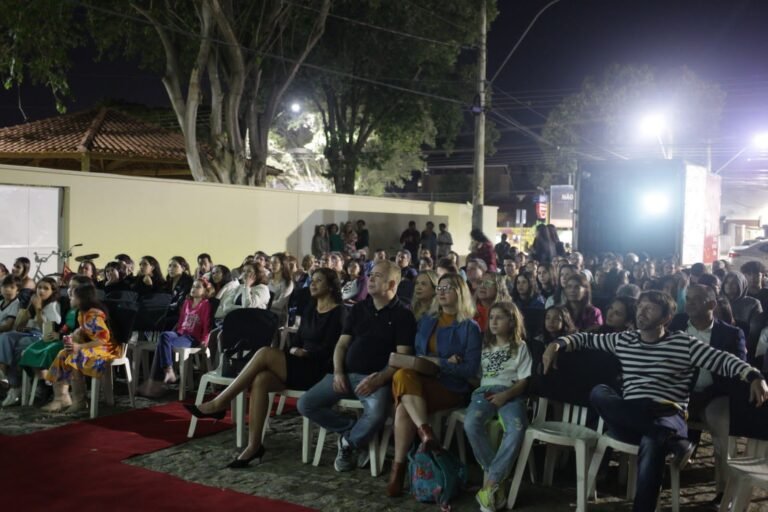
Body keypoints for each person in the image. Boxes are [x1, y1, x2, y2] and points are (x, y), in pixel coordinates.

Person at [542, 290, 768, 512]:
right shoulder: (624, 339)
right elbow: (586, 339)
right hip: (632, 417)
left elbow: (724, 360)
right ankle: (671, 440)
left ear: (666, 318)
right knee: (600, 392)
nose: (642, 312)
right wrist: (556, 345)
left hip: (667, 414)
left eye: (650, 308)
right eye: (640, 307)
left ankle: (661, 444)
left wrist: (754, 377)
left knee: (652, 440)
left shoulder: (684, 344)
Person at [184, 268, 346, 467]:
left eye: (318, 281)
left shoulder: (340, 313)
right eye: (312, 280)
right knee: (260, 380)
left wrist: (307, 353)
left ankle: (221, 402)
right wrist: (295, 349)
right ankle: (254, 447)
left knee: (264, 353)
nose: (312, 284)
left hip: (318, 371)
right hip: (299, 362)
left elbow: (335, 349)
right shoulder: (311, 309)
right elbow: (297, 339)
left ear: (331, 286)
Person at [297, 260, 416, 474]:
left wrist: (379, 378)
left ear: (391, 284)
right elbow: (341, 345)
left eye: (377, 276)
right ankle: (353, 430)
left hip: (376, 378)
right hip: (346, 373)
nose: (370, 278)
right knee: (305, 404)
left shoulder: (403, 315)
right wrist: (339, 372)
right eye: (370, 274)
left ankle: (348, 444)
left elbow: (403, 357)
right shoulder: (359, 308)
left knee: (377, 414)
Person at [386, 272, 481, 497]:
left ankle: (398, 469)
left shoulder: (470, 327)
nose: (442, 291)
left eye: (448, 287)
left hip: (451, 387)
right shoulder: (427, 321)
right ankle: (425, 431)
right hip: (422, 381)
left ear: (460, 292)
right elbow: (418, 356)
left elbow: (469, 370)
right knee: (402, 377)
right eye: (440, 288)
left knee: (402, 405)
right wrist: (436, 361)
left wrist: (440, 363)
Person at [668, 284, 747, 506]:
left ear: (712, 304)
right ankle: (656, 473)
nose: (689, 303)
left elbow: (736, 372)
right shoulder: (676, 325)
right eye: (688, 298)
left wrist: (704, 396)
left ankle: (724, 493)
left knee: (723, 431)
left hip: (715, 395)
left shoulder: (731, 334)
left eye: (696, 299)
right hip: (679, 392)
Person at [465, 302, 531, 511]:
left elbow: (523, 381)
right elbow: (477, 376)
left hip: (510, 393)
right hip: (484, 392)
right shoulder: (484, 346)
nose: (493, 321)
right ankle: (497, 481)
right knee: (471, 424)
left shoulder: (520, 347)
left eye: (499, 318)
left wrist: (506, 395)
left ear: (511, 322)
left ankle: (490, 485)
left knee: (517, 428)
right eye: (491, 317)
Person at [43, 283, 117, 412]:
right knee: (63, 354)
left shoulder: (94, 314)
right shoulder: (82, 313)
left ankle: (80, 400)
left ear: (81, 299)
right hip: (90, 346)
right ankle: (61, 397)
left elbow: (103, 339)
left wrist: (80, 346)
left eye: (73, 297)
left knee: (75, 355)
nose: (70, 299)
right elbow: (85, 331)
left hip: (105, 348)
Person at [138, 278, 213, 397]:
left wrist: (204, 340)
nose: (194, 289)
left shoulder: (205, 305)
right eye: (193, 286)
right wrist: (173, 335)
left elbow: (206, 324)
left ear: (205, 291)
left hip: (192, 337)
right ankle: (168, 371)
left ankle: (156, 381)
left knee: (161, 346)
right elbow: (181, 321)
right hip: (180, 333)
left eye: (198, 287)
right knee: (164, 336)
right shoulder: (187, 302)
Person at [19, 276, 91, 391]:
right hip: (60, 338)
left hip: (73, 342)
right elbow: (60, 325)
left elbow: (81, 332)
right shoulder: (68, 305)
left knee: (48, 352)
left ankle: (54, 388)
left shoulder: (87, 309)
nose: (69, 290)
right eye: (69, 287)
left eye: (74, 287)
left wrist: (60, 336)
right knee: (28, 351)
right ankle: (43, 384)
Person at [0, 277, 60, 406]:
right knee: (6, 337)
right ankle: (3, 372)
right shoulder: (34, 301)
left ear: (53, 291)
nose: (41, 291)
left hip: (41, 337)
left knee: (20, 345)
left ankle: (14, 385)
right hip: (28, 332)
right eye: (39, 287)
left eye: (46, 288)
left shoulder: (53, 306)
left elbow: (47, 329)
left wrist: (38, 309)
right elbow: (20, 326)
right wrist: (29, 308)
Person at [268, 253, 295, 319]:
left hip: (278, 315)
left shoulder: (288, 283)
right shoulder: (268, 278)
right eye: (271, 262)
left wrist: (263, 303)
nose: (272, 265)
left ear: (282, 265)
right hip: (265, 311)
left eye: (275, 262)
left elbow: (280, 304)